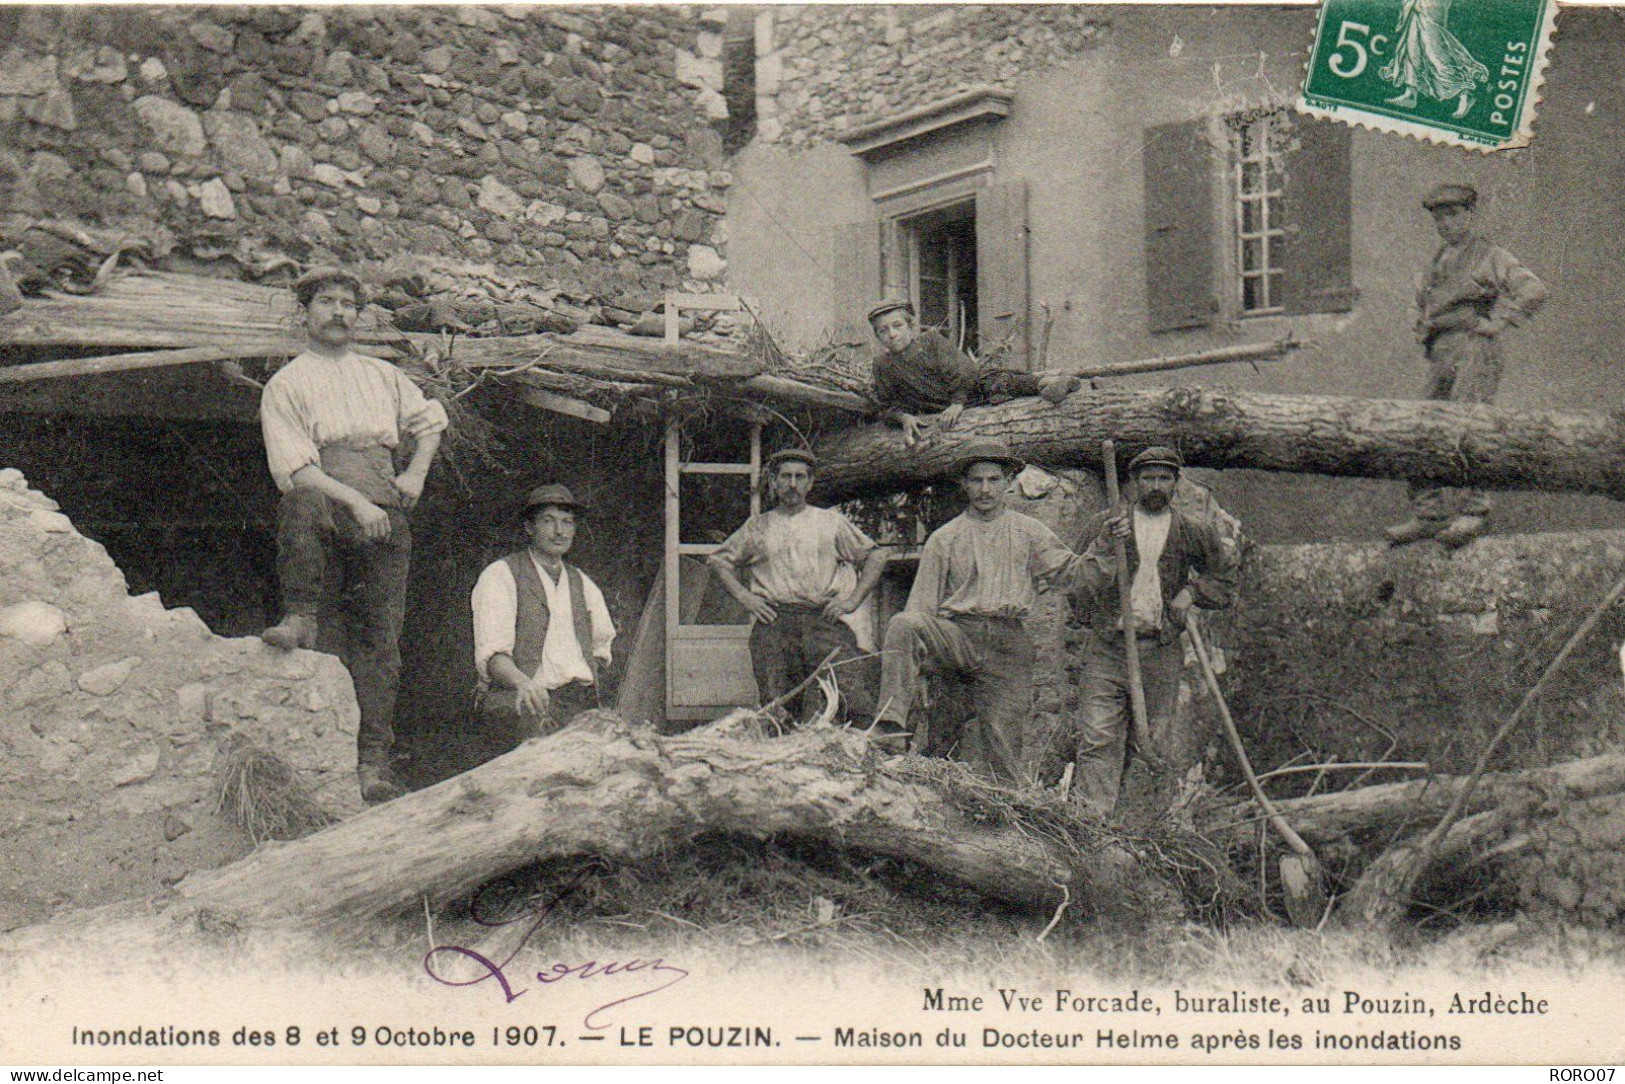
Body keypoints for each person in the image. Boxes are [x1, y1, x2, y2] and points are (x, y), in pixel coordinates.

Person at [259, 266, 447, 805]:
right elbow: (296, 468)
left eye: (348, 303)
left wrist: (414, 474)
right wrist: (357, 502)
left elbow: (429, 421)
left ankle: (374, 765)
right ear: (306, 313)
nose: (338, 312)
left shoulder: (382, 375)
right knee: (300, 500)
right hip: (329, 501)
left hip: (384, 508)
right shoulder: (287, 384)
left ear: (358, 316)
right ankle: (300, 614)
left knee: (380, 642)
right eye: (326, 302)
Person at [871, 439, 1089, 784]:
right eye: (976, 481)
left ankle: (1002, 823)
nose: (985, 489)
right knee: (904, 625)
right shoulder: (945, 537)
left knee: (1003, 752)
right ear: (964, 484)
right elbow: (922, 606)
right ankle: (888, 732)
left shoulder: (1029, 531)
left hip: (1008, 642)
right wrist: (920, 670)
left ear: (1008, 483)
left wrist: (1108, 543)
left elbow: (1073, 573)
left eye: (993, 480)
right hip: (959, 635)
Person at [1070, 447, 1240, 817]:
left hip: (1160, 651)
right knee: (1098, 736)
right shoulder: (1107, 525)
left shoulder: (1192, 529)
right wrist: (1102, 553)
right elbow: (1077, 581)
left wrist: (1191, 592)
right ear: (1133, 483)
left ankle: (1132, 826)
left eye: (1165, 478)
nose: (1156, 486)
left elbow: (1225, 579)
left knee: (1151, 740)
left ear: (1176, 484)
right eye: (1149, 478)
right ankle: (1088, 821)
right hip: (1108, 648)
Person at [1386, 184, 1548, 549]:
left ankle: (1473, 510)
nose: (1446, 224)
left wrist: (1500, 322)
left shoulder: (1490, 255)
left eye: (1454, 215)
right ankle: (1429, 513)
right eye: (1439, 218)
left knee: (1468, 427)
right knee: (1422, 425)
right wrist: (1419, 322)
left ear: (1471, 215)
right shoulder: (1435, 262)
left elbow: (1533, 290)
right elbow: (1420, 304)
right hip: (1442, 353)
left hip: (1475, 349)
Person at [708, 448, 884, 724]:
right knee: (778, 705)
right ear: (774, 482)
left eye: (800, 477)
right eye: (786, 477)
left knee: (849, 693)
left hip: (821, 620)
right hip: (775, 623)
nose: (792, 484)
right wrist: (746, 597)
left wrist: (851, 601)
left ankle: (858, 755)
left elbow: (875, 556)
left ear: (810, 483)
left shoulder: (830, 522)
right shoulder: (759, 526)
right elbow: (719, 562)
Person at [469, 484, 615, 762]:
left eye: (567, 522)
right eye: (548, 521)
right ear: (529, 527)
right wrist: (524, 683)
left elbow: (600, 650)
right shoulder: (501, 575)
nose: (559, 531)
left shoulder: (582, 583)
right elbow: (493, 657)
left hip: (576, 705)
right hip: (520, 701)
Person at [867, 299, 1079, 447]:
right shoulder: (882, 366)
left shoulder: (931, 341)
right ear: (877, 336)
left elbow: (964, 371)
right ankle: (1049, 384)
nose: (892, 335)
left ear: (910, 327)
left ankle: (1050, 383)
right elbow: (886, 405)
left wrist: (957, 402)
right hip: (941, 408)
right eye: (883, 331)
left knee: (1002, 382)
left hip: (971, 390)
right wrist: (904, 417)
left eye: (897, 326)